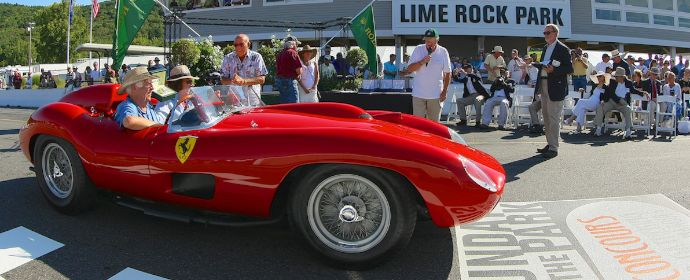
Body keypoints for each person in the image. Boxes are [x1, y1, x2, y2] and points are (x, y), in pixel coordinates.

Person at [534, 23, 574, 158]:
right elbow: (542, 67)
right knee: (546, 117)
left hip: (555, 86)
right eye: (544, 33)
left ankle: (554, 147)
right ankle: (549, 143)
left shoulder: (563, 49)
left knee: (553, 118)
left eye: (547, 33)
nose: (545, 35)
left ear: (555, 34)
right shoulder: (545, 48)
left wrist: (554, 70)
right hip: (544, 85)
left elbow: (569, 69)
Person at [405, 28, 452, 121]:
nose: (427, 43)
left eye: (430, 41)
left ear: (437, 40)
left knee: (434, 126)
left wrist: (445, 91)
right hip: (418, 94)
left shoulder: (443, 51)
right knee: (418, 125)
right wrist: (422, 62)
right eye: (426, 40)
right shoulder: (418, 49)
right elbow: (409, 69)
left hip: (435, 95)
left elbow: (448, 73)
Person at [593, 67, 645, 139]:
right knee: (600, 107)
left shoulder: (628, 82)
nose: (615, 77)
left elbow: (633, 90)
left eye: (617, 76)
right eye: (615, 76)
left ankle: (628, 131)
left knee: (628, 109)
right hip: (612, 101)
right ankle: (598, 129)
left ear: (622, 77)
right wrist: (618, 100)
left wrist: (643, 93)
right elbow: (611, 94)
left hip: (622, 104)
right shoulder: (612, 81)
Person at [221, 34, 268, 106]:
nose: (238, 47)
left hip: (253, 100)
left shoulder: (256, 57)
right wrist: (233, 81)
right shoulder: (228, 58)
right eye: (236, 45)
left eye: (241, 44)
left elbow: (262, 79)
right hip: (234, 101)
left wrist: (244, 81)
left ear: (248, 44)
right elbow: (223, 79)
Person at [275, 36, 302, 103]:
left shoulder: (280, 54)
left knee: (284, 103)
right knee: (294, 105)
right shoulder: (292, 53)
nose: (297, 46)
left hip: (280, 80)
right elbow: (299, 71)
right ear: (293, 44)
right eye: (296, 44)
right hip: (290, 80)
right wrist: (300, 73)